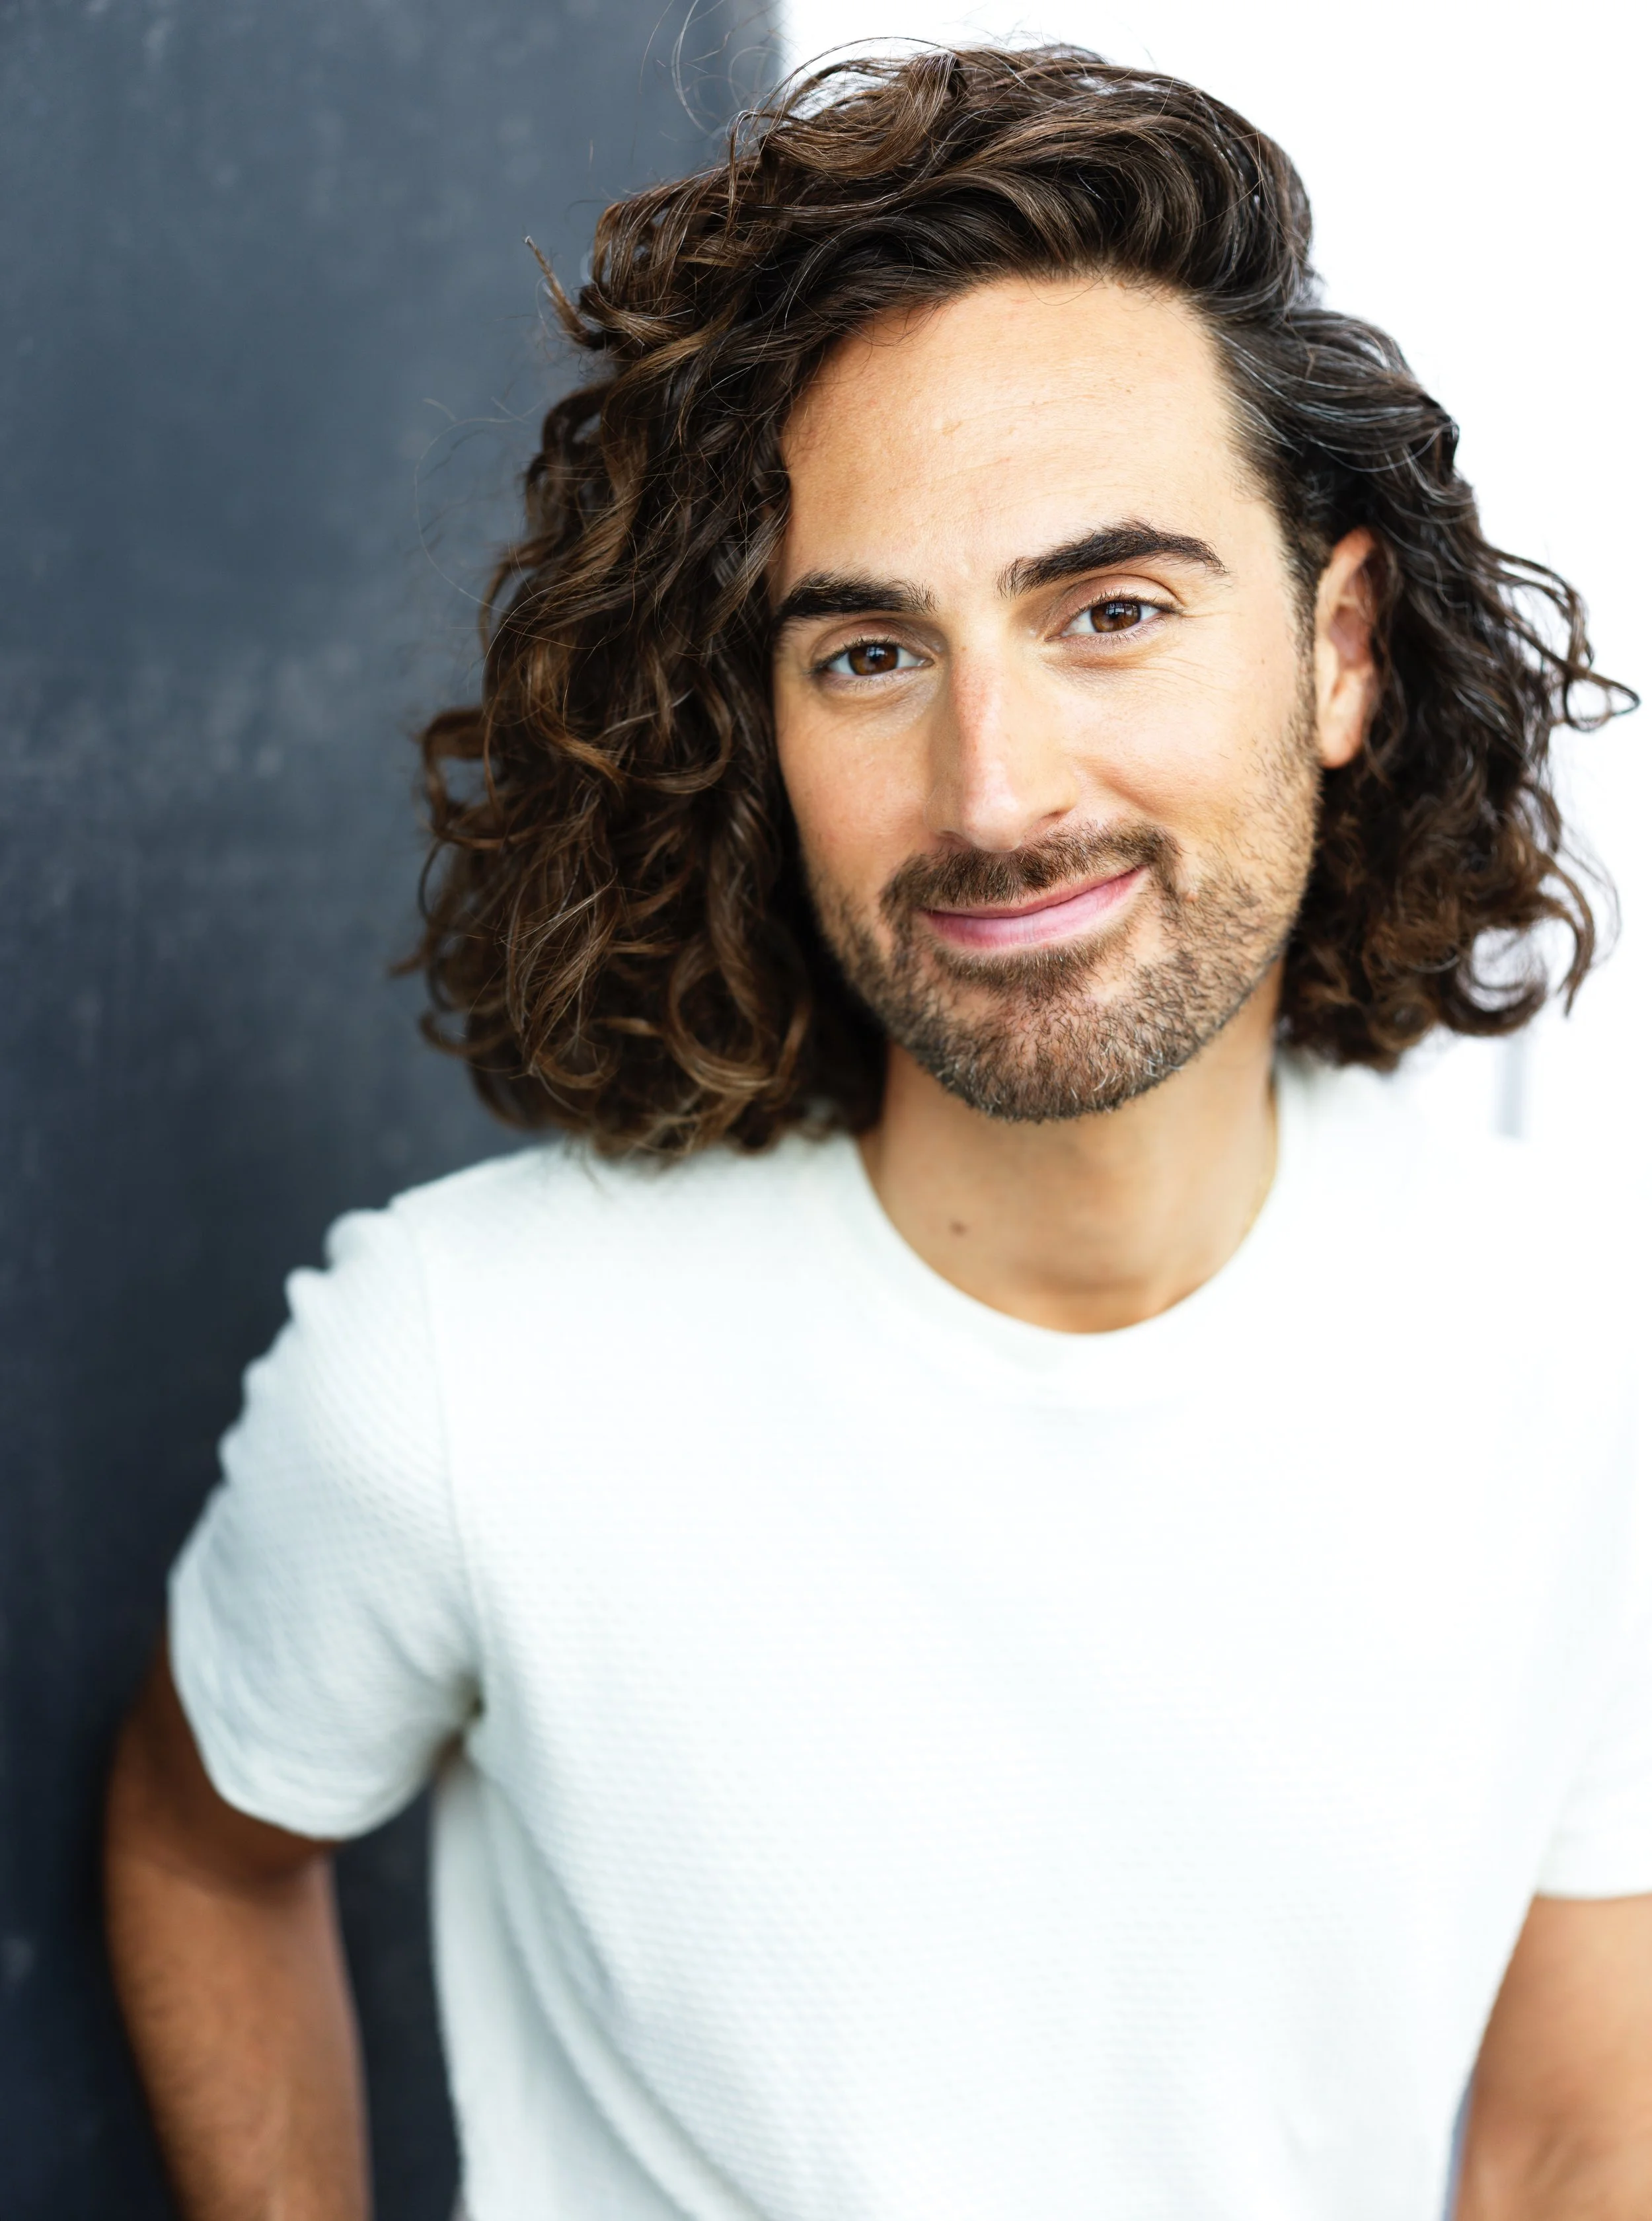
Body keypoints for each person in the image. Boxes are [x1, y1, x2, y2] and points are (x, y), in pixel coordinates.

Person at [104, 45, 1647, 2221]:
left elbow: (1572, 2138)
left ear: (1338, 649)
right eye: (863, 655)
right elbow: (198, 1841)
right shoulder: (459, 1366)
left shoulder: (1581, 1356)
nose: (994, 789)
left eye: (1108, 612)